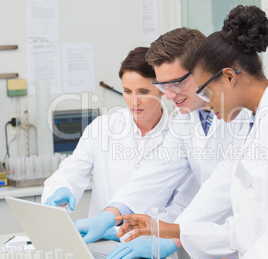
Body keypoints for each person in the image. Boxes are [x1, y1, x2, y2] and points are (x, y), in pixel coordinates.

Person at [112, 5, 268, 259]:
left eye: (205, 92)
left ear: (228, 77)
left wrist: (175, 234)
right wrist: (171, 230)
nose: (205, 101)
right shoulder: (257, 123)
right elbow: (247, 228)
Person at [74, 27, 251, 255]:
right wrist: (109, 215)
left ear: (203, 71)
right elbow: (154, 174)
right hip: (209, 245)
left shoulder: (242, 117)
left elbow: (222, 194)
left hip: (243, 243)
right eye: (163, 85)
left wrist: (173, 239)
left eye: (176, 83)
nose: (168, 95)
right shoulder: (185, 120)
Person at [41, 47, 198, 242]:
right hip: (99, 240)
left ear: (163, 91)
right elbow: (73, 169)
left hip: (152, 245)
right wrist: (61, 188)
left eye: (143, 92)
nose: (134, 101)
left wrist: (128, 231)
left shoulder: (180, 133)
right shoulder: (104, 127)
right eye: (127, 91)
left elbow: (182, 205)